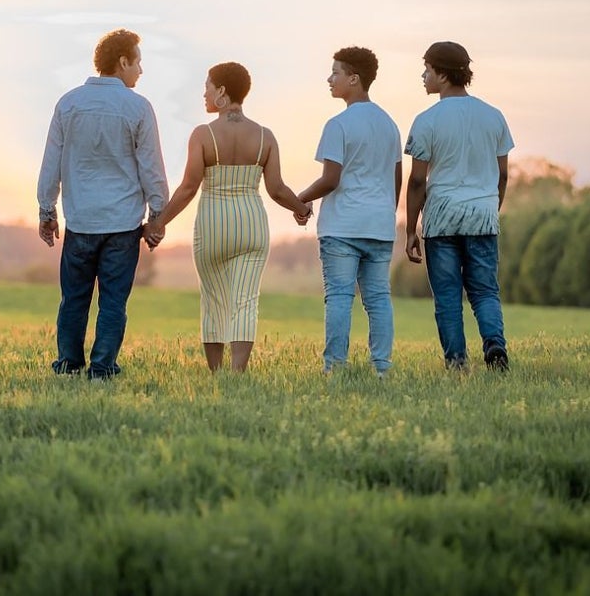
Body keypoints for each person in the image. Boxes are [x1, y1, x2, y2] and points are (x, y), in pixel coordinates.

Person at [144, 62, 311, 372]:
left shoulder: (203, 134)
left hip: (212, 225)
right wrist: (301, 209)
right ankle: (237, 374)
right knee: (245, 301)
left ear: (221, 91)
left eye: (207, 86)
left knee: (214, 301)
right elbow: (276, 189)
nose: (203, 93)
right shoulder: (265, 136)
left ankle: (217, 374)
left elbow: (188, 187)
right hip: (252, 224)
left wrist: (159, 223)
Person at [37, 28, 169, 380]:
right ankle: (102, 366)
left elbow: (52, 162)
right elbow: (151, 168)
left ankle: (68, 363)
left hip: (80, 220)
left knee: (74, 299)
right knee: (113, 301)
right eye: (138, 61)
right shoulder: (139, 107)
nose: (141, 70)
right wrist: (158, 216)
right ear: (122, 61)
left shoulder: (68, 103)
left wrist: (47, 211)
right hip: (122, 225)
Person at [404, 41, 514, 371]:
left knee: (449, 297)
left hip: (441, 218)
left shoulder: (426, 120)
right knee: (484, 291)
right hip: (482, 214)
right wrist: (490, 210)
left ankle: (456, 363)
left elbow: (417, 182)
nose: (423, 75)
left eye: (427, 69)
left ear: (442, 73)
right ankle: (494, 343)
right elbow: (503, 174)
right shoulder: (494, 116)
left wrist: (411, 229)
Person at [296, 47, 402, 377]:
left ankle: (335, 369)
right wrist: (384, 212)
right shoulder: (389, 124)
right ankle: (382, 369)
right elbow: (396, 179)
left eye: (335, 73)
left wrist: (302, 197)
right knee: (379, 299)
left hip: (342, 226)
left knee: (340, 297)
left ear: (353, 78)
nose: (330, 79)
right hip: (380, 225)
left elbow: (331, 179)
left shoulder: (338, 124)